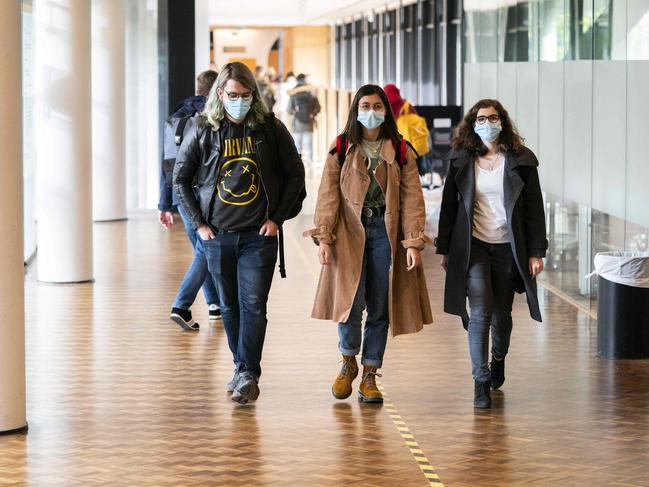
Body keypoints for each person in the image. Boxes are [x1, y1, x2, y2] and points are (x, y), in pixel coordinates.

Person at [173, 62, 306, 405]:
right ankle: (241, 367)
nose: (240, 102)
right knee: (229, 306)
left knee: (254, 305)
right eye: (233, 95)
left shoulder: (270, 129)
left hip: (258, 236)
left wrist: (277, 218)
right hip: (218, 235)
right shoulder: (204, 129)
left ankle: (248, 372)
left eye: (246, 96)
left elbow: (295, 174)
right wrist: (199, 224)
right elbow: (181, 178)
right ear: (220, 94)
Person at [304, 84, 433, 404]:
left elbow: (413, 198)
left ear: (385, 111)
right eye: (365, 106)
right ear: (356, 110)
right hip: (349, 232)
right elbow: (328, 195)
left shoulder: (401, 149)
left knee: (380, 305)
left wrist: (413, 242)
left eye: (377, 106)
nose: (371, 112)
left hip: (385, 234)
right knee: (349, 302)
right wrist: (324, 236)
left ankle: (370, 374)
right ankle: (348, 361)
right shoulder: (342, 146)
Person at [435, 99, 547, 409]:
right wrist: (444, 249)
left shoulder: (522, 160)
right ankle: (480, 381)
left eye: (493, 117)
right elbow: (448, 207)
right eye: (482, 118)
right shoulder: (460, 160)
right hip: (474, 247)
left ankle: (498, 358)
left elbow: (534, 210)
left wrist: (536, 252)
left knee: (502, 316)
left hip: (508, 247)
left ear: (503, 121)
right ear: (472, 124)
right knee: (480, 312)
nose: (488, 122)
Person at [158, 69, 220, 331]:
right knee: (206, 250)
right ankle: (181, 306)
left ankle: (214, 304)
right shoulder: (211, 118)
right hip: (204, 193)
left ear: (197, 89)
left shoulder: (175, 118)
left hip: (181, 195)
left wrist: (164, 204)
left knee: (201, 249)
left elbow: (166, 163)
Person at [288, 74, 321, 164]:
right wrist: (312, 113)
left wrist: (294, 111)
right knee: (309, 144)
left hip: (297, 123)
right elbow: (318, 108)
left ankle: (298, 161)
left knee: (297, 145)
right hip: (309, 122)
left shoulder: (293, 93)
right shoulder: (311, 92)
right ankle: (310, 161)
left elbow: (289, 110)